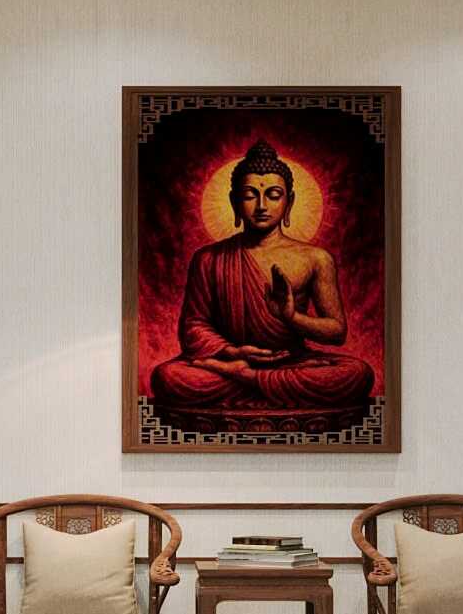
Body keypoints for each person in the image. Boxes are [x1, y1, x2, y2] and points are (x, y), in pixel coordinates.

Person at [149, 139, 374, 427]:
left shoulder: (316, 258)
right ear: (234, 202)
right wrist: (233, 352)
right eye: (250, 195)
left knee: (357, 373)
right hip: (231, 360)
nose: (262, 206)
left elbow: (336, 332)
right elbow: (193, 326)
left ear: (289, 201)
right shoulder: (208, 258)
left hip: (292, 361)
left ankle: (246, 378)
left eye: (273, 195)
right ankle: (249, 377)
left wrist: (291, 317)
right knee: (168, 377)